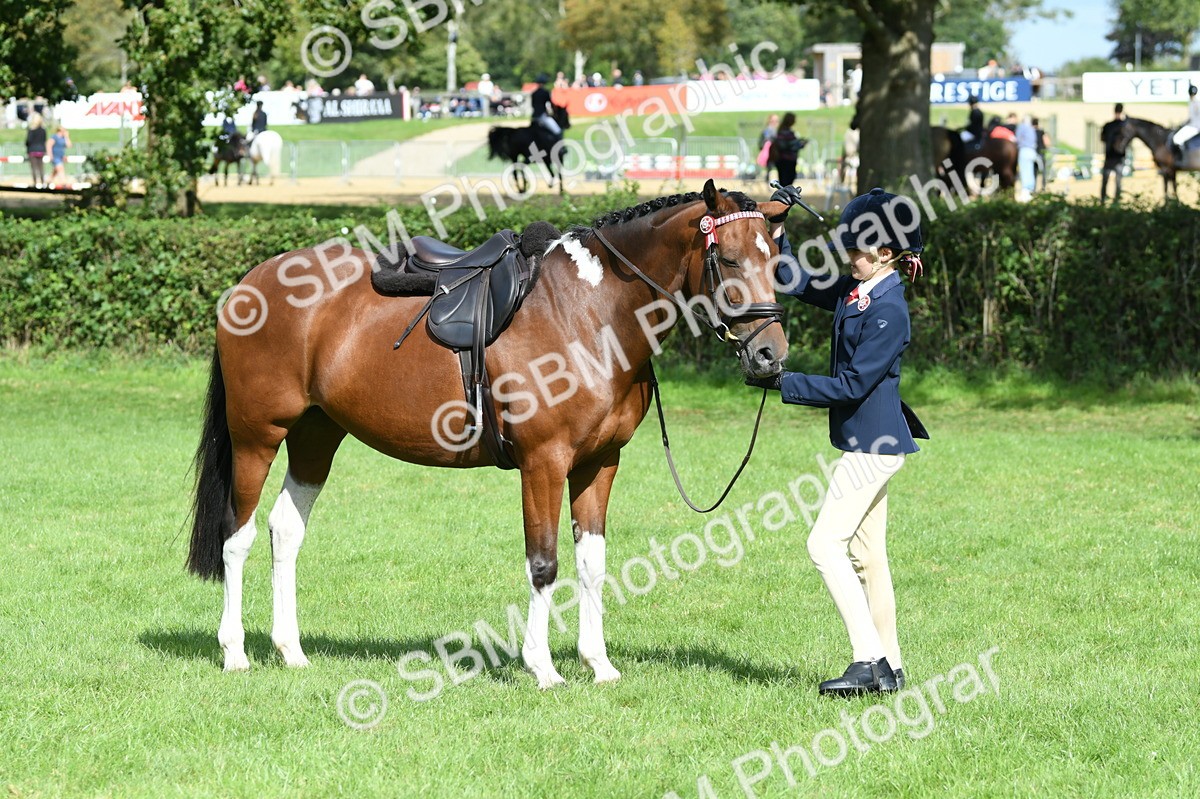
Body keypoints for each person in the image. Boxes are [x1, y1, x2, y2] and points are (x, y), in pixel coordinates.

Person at [751, 185, 929, 696]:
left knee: (823, 544)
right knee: (868, 558)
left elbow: (853, 385)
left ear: (888, 254)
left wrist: (783, 382)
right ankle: (891, 666)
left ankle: (866, 660)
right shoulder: (860, 290)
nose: (849, 258)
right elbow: (796, 283)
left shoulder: (889, 311)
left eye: (857, 251)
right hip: (867, 444)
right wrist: (779, 229)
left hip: (875, 450)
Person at [771, 112, 807, 186]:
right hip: (786, 161)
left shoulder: (782, 131)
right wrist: (800, 144)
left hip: (784, 161)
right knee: (786, 182)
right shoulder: (785, 132)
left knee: (785, 182)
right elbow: (786, 146)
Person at [1100, 103, 1126, 203]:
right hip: (1118, 157)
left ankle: (1102, 200)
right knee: (1118, 182)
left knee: (1105, 181)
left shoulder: (1108, 126)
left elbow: (1102, 138)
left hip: (1109, 156)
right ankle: (1116, 202)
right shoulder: (1124, 126)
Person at [530, 73, 561, 145]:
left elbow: (532, 105)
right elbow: (550, 104)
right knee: (557, 130)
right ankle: (560, 148)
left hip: (534, 117)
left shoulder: (534, 93)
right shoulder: (545, 92)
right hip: (542, 116)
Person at [1171, 84, 1200, 159]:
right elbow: (1191, 118)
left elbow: (1193, 118)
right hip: (1192, 125)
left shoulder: (1196, 103)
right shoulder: (1192, 102)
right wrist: (1182, 124)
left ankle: (1182, 158)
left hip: (1195, 127)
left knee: (1176, 139)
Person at [1015, 115, 1038, 200]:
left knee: (1024, 172)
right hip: (1032, 151)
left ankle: (1025, 192)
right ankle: (1030, 191)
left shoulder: (1022, 127)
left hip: (1024, 151)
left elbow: (1017, 138)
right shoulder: (1031, 128)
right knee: (1030, 171)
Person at [25, 113, 47, 188]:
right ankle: (43, 183)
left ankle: (35, 183)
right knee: (41, 168)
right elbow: (44, 140)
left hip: (32, 150)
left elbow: (28, 140)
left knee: (34, 168)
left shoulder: (31, 130)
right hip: (41, 150)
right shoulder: (43, 130)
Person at [758, 113, 779, 184]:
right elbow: (761, 143)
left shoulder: (777, 131)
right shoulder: (766, 131)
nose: (775, 122)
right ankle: (768, 184)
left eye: (776, 121)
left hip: (776, 154)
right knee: (769, 169)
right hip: (769, 154)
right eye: (773, 120)